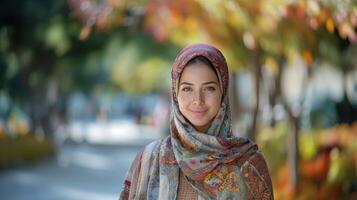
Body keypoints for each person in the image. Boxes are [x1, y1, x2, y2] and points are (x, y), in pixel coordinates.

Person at [119, 44, 274, 200]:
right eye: (187, 89)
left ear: (223, 92)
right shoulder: (149, 160)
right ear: (175, 94)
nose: (198, 100)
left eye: (209, 88)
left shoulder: (248, 163)